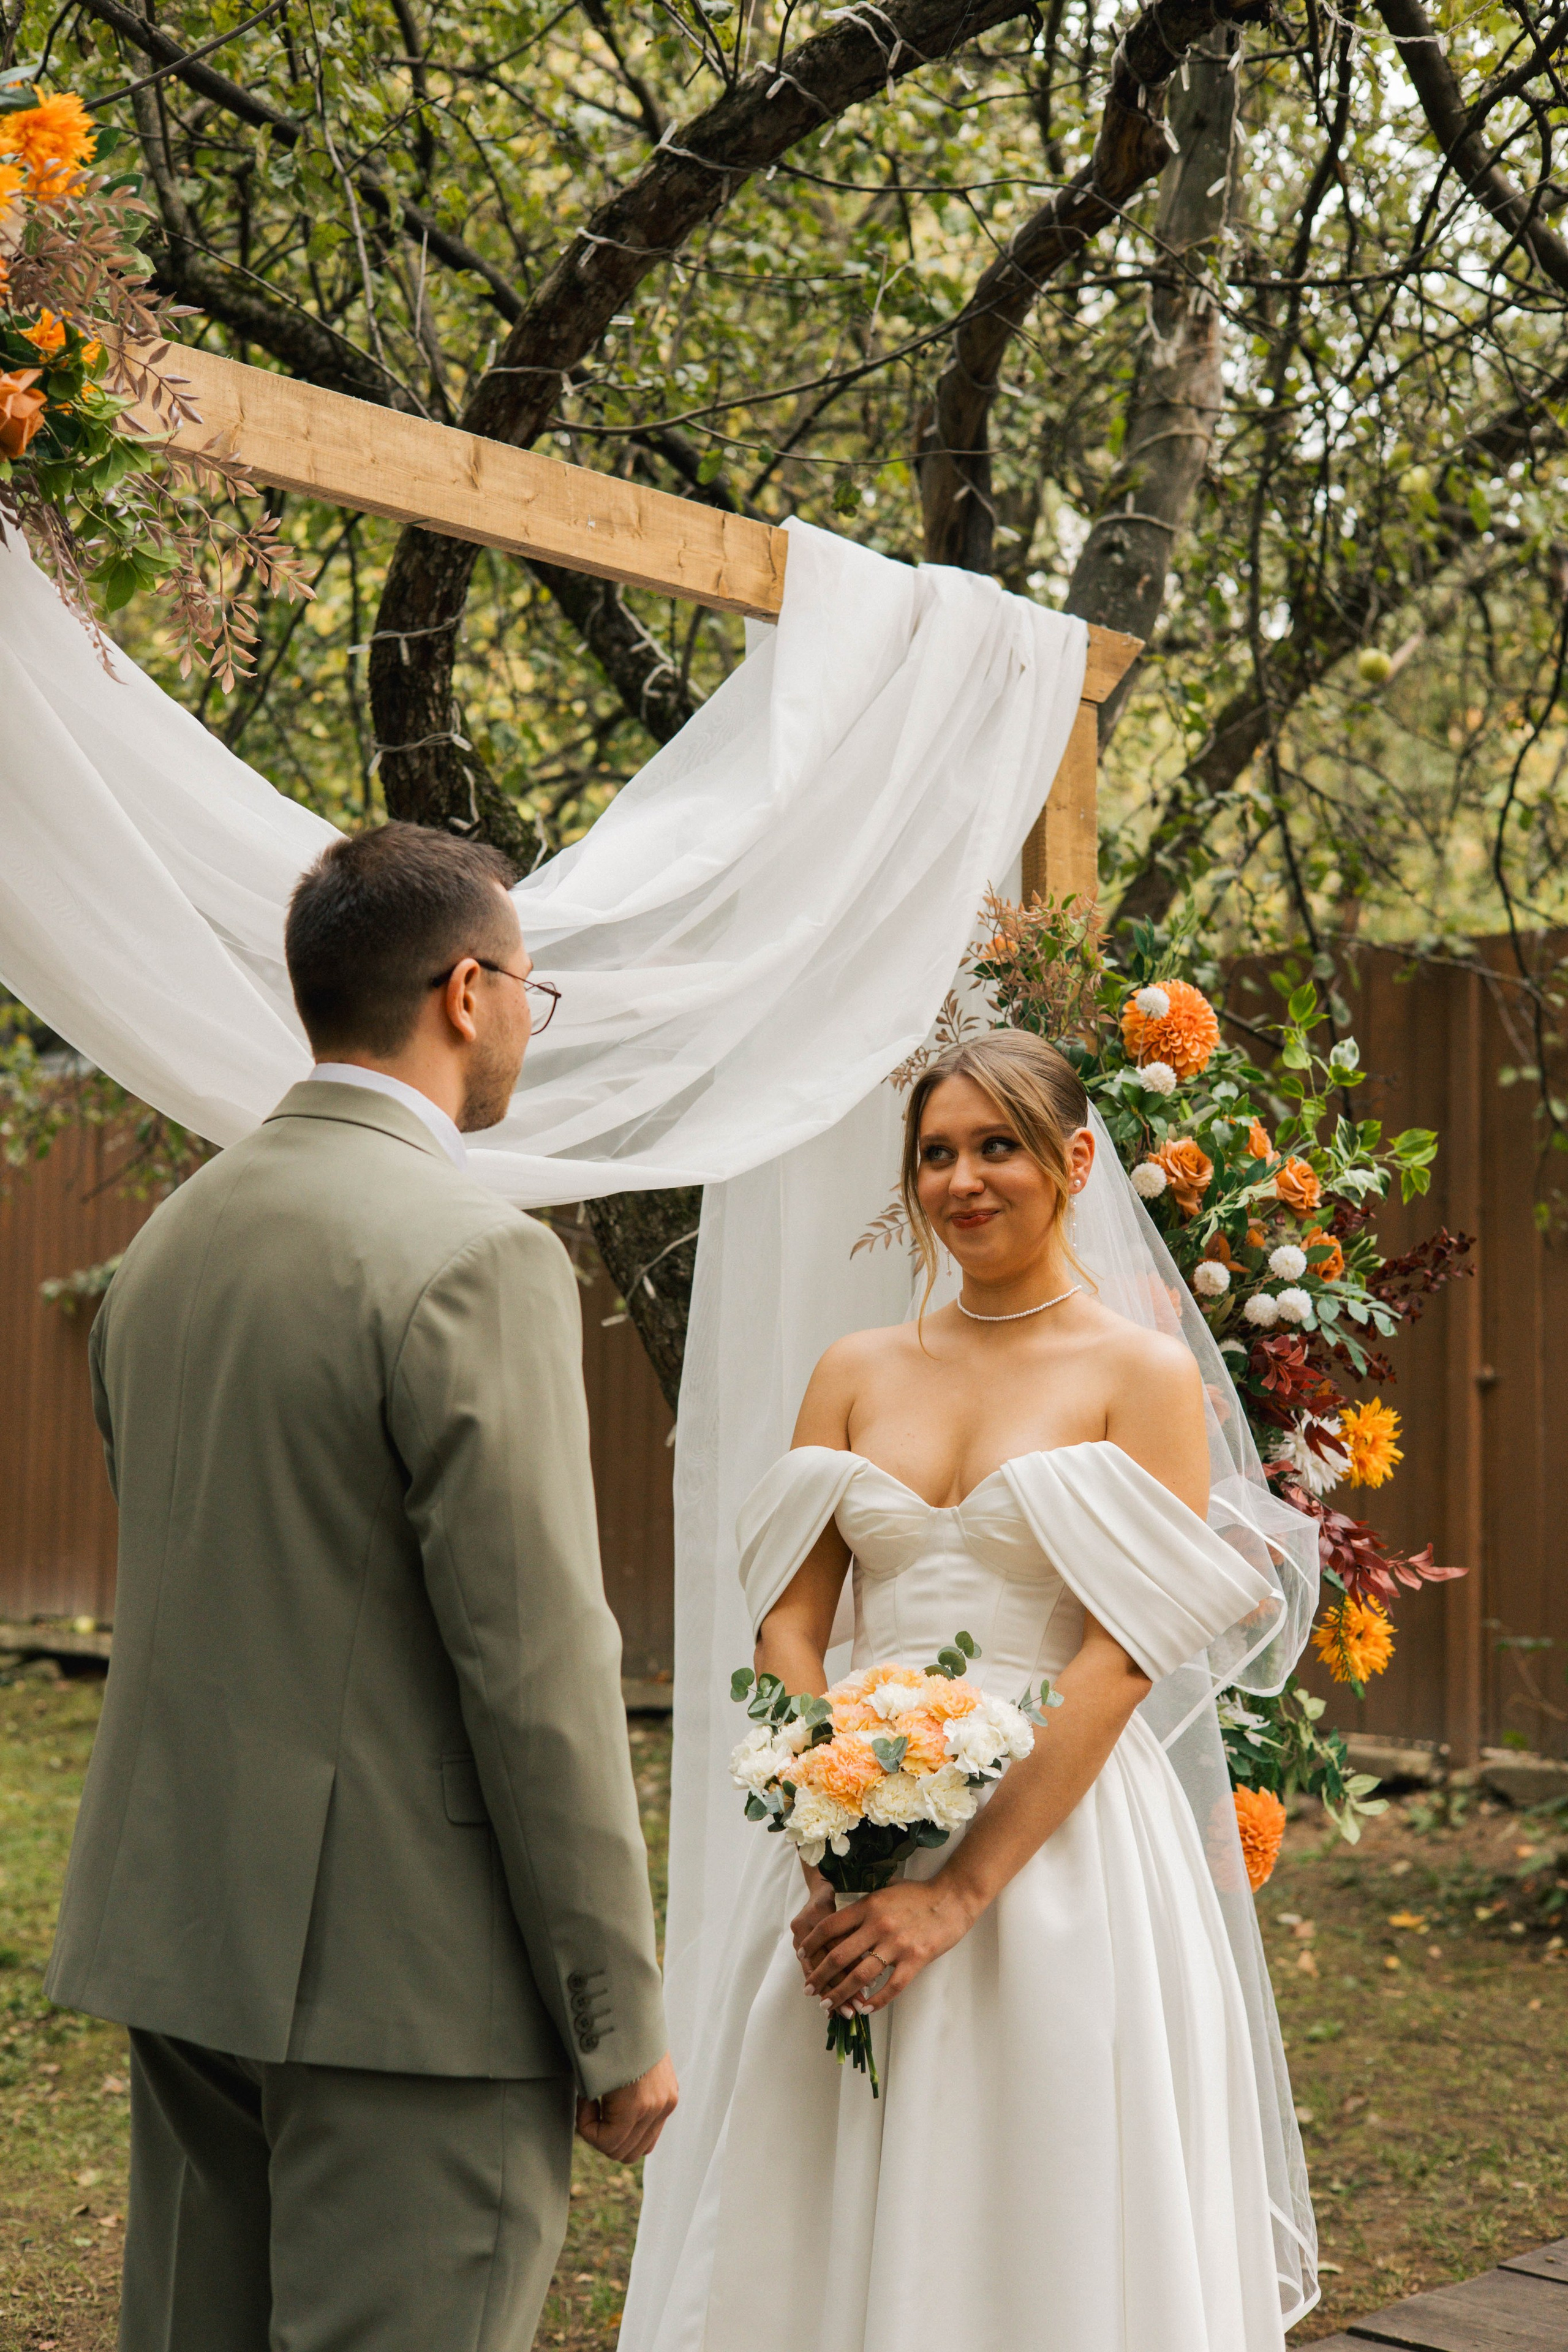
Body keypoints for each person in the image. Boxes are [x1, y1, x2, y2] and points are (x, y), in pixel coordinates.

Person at [47, 821, 677, 2352]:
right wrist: (616, 2016)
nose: (532, 1018)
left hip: (187, 1938)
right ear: (468, 991)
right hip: (415, 1989)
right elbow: (535, 1671)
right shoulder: (474, 1256)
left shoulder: (166, 1247)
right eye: (534, 989)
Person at [620, 1029, 1312, 2352]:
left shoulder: (1139, 1376)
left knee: (1035, 2190)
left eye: (996, 1145)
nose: (962, 1180)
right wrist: (830, 1833)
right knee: (816, 2181)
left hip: (1055, 1856)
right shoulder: (854, 1368)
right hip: (851, 1821)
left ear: (1075, 1161)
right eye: (934, 1153)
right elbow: (789, 1620)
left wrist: (954, 1893)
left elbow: (1118, 1657)